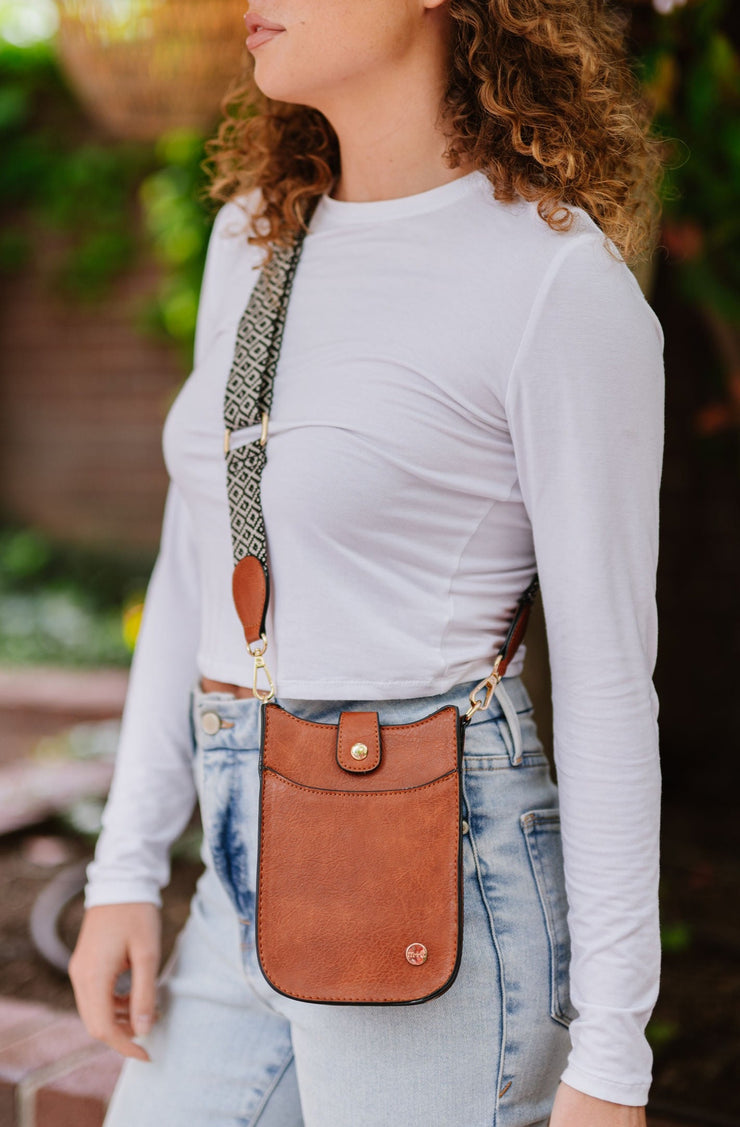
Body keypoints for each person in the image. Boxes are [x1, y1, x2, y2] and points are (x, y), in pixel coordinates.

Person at [69, 1, 666, 1124]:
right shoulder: (257, 235)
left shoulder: (552, 285)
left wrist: (613, 1057)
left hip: (434, 877)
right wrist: (125, 869)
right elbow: (196, 560)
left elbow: (603, 687)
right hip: (242, 857)